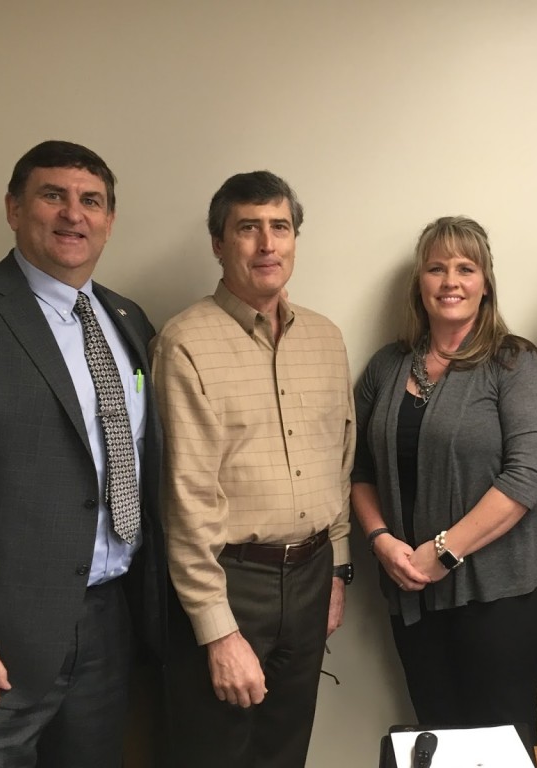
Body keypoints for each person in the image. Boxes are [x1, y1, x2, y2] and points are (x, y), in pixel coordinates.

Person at [0, 141, 167, 767]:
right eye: (52, 195)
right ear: (13, 208)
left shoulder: (127, 319)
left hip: (109, 626)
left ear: (109, 221)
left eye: (91, 201)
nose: (73, 214)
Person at [151, 171, 354, 768]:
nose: (267, 244)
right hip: (230, 580)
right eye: (248, 228)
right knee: (215, 750)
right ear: (219, 243)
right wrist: (217, 631)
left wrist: (338, 570)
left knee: (286, 750)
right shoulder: (185, 342)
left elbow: (339, 460)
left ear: (294, 239)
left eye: (280, 227)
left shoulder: (325, 338)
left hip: (314, 573)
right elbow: (185, 498)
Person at [351, 216, 537, 744]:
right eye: (437, 268)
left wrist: (440, 553)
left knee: (501, 740)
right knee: (437, 737)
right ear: (419, 282)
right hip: (410, 590)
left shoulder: (513, 363)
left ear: (485, 283)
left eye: (466, 268)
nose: (451, 281)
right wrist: (381, 542)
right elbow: (358, 469)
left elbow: (526, 477)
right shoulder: (387, 367)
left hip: (503, 595)